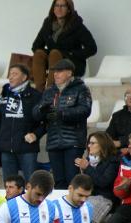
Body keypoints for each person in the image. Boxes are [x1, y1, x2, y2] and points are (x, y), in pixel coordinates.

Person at [33, 58, 92, 189]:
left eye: (60, 71)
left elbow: (85, 110)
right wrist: (41, 109)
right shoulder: (49, 91)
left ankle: (74, 207)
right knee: (58, 181)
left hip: (73, 141)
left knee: (73, 179)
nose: (55, 74)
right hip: (54, 141)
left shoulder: (81, 89)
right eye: (54, 72)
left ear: (70, 73)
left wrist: (62, 113)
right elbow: (36, 115)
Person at [0, 64, 45, 181]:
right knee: (9, 185)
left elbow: (45, 121)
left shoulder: (36, 96)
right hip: (6, 147)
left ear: (24, 77)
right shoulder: (4, 94)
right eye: (9, 74)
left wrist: (36, 134)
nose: (10, 77)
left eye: (14, 74)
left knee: (31, 183)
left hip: (27, 147)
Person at [31, 0, 96, 92]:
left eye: (62, 6)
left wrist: (71, 53)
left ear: (69, 9)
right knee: (39, 53)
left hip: (72, 62)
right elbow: (36, 46)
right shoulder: (48, 23)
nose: (59, 9)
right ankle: (39, 91)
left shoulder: (76, 25)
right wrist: (47, 55)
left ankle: (50, 91)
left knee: (55, 53)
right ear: (53, 9)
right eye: (56, 6)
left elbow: (92, 48)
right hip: (53, 61)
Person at [74, 131, 119, 223]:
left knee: (84, 218)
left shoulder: (113, 161)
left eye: (93, 143)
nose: (89, 146)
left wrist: (87, 168)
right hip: (88, 197)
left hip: (105, 198)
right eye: (89, 143)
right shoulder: (87, 161)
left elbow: (104, 182)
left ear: (103, 144)